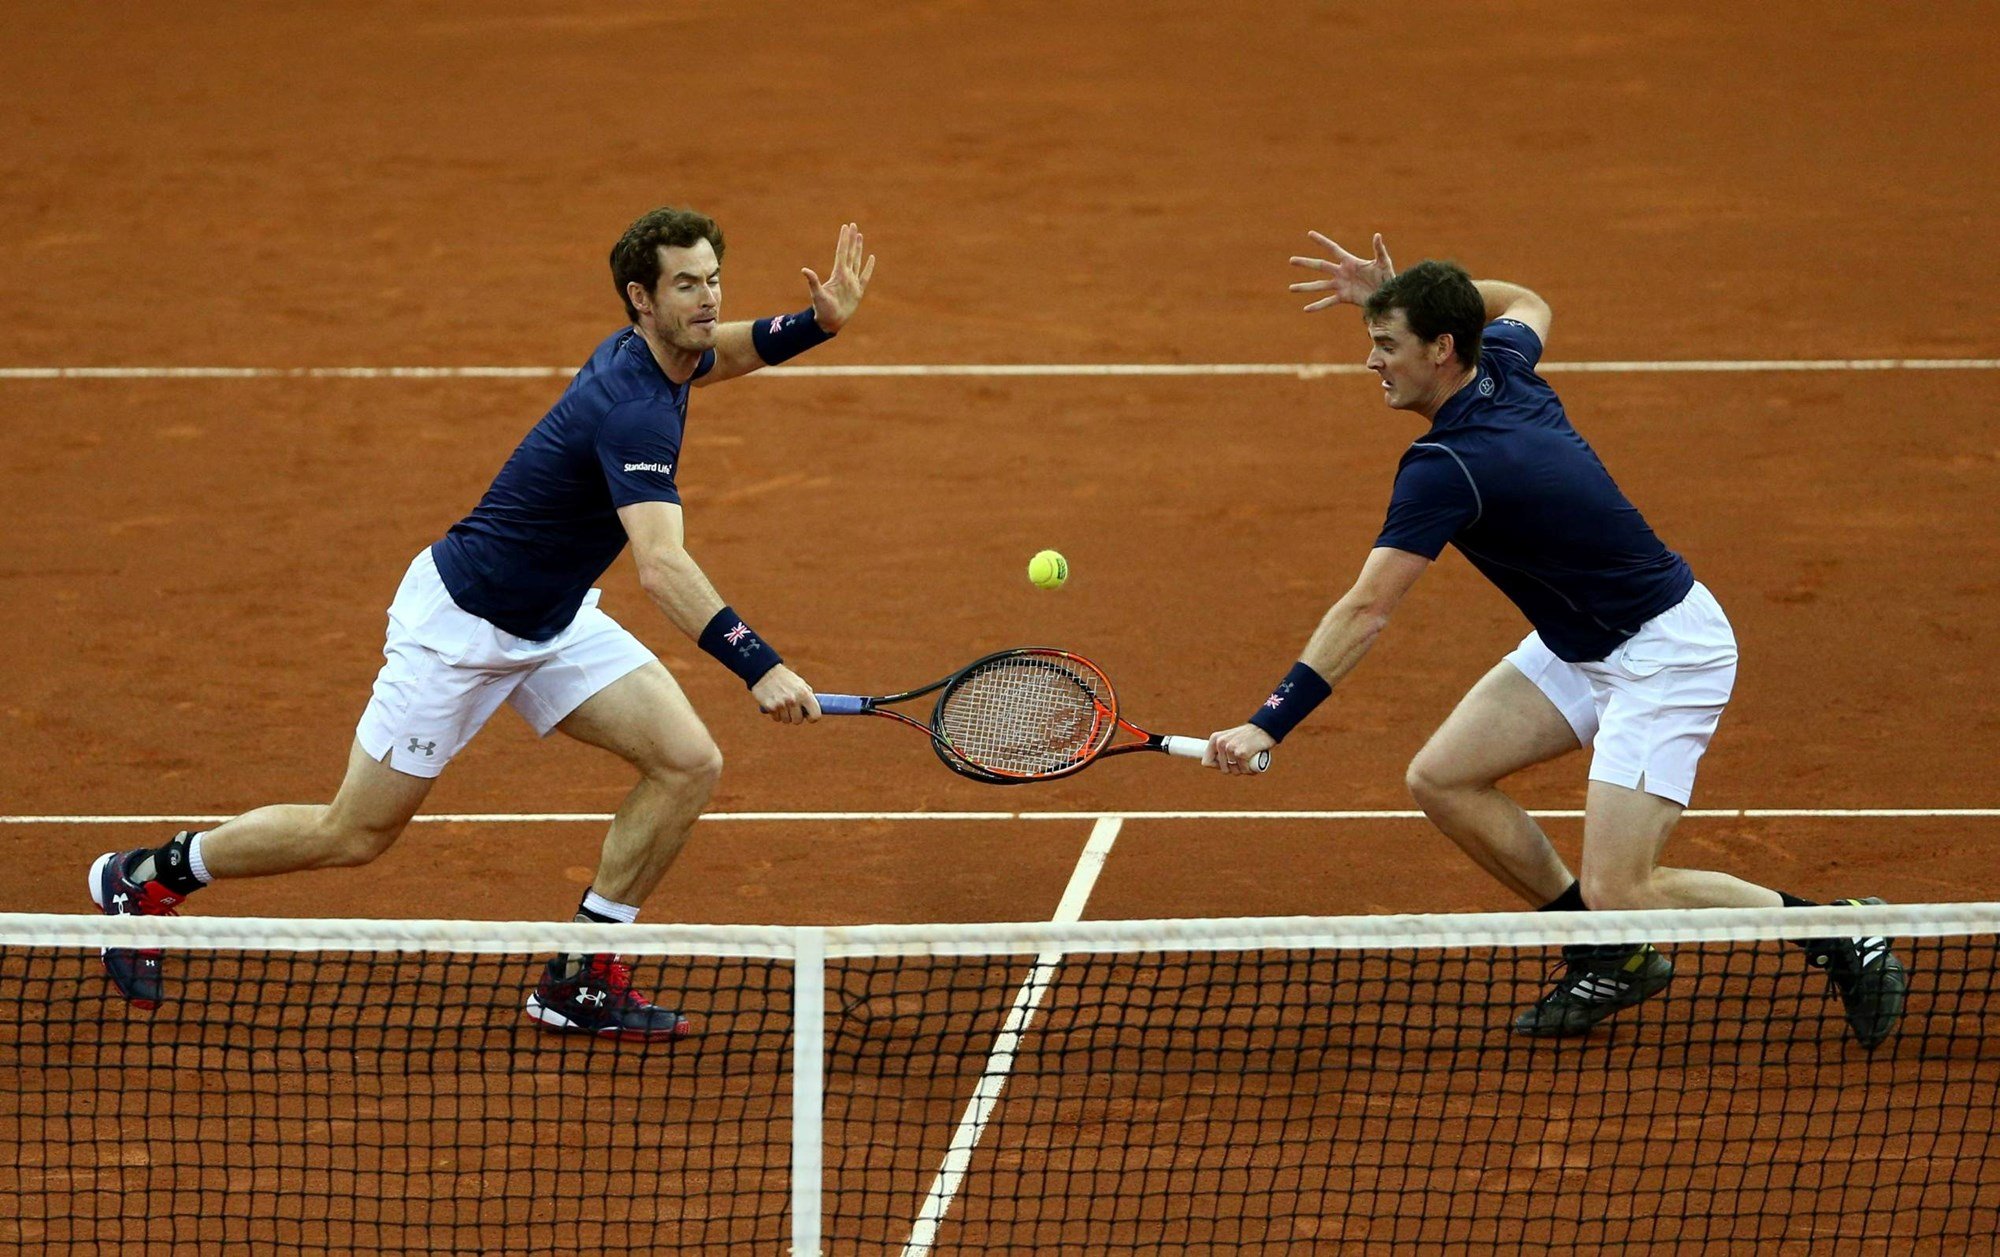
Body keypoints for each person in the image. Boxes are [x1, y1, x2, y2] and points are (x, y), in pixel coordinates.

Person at [89, 206, 875, 1040]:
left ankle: (578, 975)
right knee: (353, 832)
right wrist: (758, 663)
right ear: (642, 298)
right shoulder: (632, 406)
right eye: (688, 284)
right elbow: (662, 565)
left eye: (714, 278)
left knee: (686, 762)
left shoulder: (663, 354)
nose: (710, 297)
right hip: (460, 628)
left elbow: (735, 347)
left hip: (551, 619)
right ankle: (148, 874)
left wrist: (815, 324)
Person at [1204, 233, 1907, 1048]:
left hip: (1663, 653)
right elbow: (1528, 299)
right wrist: (1404, 296)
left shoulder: (1445, 465)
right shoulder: (1502, 360)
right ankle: (1613, 958)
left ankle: (1839, 928)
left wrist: (1270, 719)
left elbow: (1366, 610)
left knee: (1624, 886)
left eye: (1386, 343)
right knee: (1444, 778)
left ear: (1440, 349)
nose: (1372, 361)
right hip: (1581, 642)